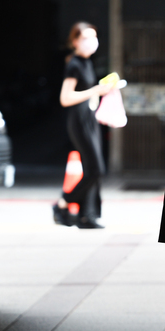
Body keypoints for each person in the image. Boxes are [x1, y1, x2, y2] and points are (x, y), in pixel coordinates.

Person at [53, 22, 112, 229]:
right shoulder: (74, 64)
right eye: (86, 37)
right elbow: (65, 98)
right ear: (75, 41)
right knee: (95, 169)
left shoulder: (87, 62)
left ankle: (87, 216)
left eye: (94, 37)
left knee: (92, 169)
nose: (91, 42)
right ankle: (62, 203)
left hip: (91, 119)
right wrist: (95, 90)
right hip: (79, 120)